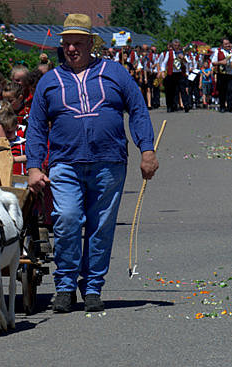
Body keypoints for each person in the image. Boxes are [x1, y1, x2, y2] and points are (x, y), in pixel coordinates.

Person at [25, 14, 158, 313]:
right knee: (68, 219)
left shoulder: (114, 73)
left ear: (90, 44)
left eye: (78, 43)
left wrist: (146, 150)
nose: (71, 49)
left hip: (109, 162)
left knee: (101, 227)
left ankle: (93, 287)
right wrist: (34, 166)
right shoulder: (50, 81)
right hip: (65, 163)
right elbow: (35, 126)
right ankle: (65, 286)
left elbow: (137, 109)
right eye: (67, 43)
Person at [159, 39, 189, 112]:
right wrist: (162, 71)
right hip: (171, 74)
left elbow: (187, 63)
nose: (176, 47)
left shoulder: (182, 53)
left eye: (178, 45)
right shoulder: (169, 53)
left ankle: (186, 105)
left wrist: (183, 58)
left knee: (183, 90)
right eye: (175, 45)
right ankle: (170, 106)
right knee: (170, 91)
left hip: (180, 73)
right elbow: (164, 63)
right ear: (172, 46)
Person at [0, 102, 27, 176]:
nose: (5, 135)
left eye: (9, 132)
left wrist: (13, 160)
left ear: (16, 128)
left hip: (20, 178)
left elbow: (30, 157)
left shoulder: (23, 143)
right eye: (3, 131)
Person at [212, 37, 232, 113]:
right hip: (221, 74)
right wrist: (221, 62)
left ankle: (230, 106)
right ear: (222, 45)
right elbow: (213, 62)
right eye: (226, 44)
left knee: (230, 90)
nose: (228, 45)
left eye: (228, 43)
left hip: (231, 73)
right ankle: (222, 106)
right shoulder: (217, 52)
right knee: (222, 91)